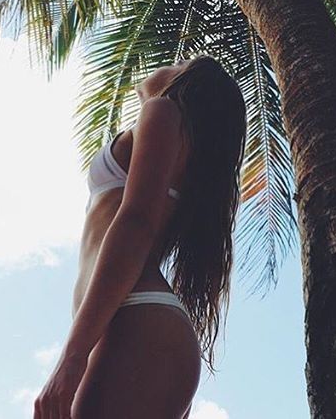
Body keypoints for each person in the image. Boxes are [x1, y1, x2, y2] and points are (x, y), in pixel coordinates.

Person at [33, 54, 247, 419]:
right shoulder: (181, 148)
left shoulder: (163, 112)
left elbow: (135, 223)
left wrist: (72, 356)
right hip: (140, 329)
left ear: (188, 85)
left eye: (182, 64)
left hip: (135, 323)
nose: (171, 61)